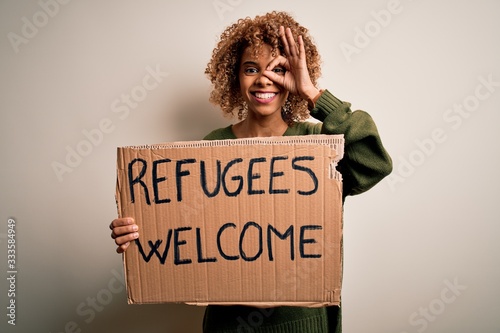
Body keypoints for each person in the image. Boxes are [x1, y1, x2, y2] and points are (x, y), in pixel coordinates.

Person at [110, 11, 392, 333]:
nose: (263, 79)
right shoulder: (212, 147)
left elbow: (375, 163)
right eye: (251, 69)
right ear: (235, 76)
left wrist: (312, 93)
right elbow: (189, 232)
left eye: (279, 69)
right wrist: (141, 230)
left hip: (302, 325)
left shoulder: (316, 145)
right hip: (229, 325)